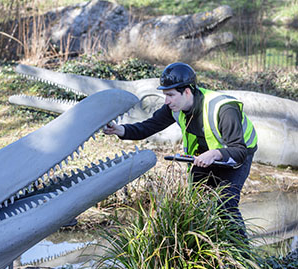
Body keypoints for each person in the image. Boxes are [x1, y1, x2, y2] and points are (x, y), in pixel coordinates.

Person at [103, 62, 258, 239]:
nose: (166, 101)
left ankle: (241, 253)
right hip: (203, 155)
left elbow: (238, 151)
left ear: (187, 91)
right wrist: (120, 130)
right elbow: (149, 126)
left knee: (225, 204)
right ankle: (205, 247)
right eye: (165, 95)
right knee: (196, 202)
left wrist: (215, 153)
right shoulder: (174, 107)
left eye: (170, 95)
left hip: (236, 154)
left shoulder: (223, 109)